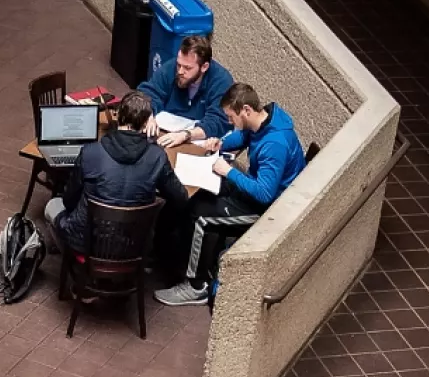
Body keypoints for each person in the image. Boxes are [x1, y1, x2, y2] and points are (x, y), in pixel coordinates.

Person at [155, 84, 305, 307]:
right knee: (199, 197)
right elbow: (243, 137)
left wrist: (229, 171)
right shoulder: (262, 123)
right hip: (254, 191)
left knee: (201, 217)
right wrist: (221, 143)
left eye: (231, 117)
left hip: (269, 209)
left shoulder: (275, 144)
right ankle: (187, 257)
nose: (230, 123)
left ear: (245, 110)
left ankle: (197, 287)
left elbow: (264, 193)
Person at [47, 92, 188, 256]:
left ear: (118, 115)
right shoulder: (157, 157)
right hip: (134, 245)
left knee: (52, 206)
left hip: (87, 242)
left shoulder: (91, 152)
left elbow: (69, 200)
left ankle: (69, 255)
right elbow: (180, 197)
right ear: (145, 124)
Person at [141, 34, 235, 148]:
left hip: (198, 139)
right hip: (165, 132)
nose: (180, 71)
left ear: (204, 67)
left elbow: (218, 121)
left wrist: (186, 135)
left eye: (187, 68)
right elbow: (149, 92)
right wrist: (147, 114)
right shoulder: (171, 68)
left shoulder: (221, 81)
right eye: (179, 65)